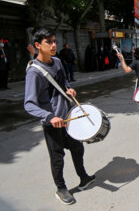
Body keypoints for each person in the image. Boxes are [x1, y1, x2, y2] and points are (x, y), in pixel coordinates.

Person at [24, 28, 95, 205]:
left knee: (78, 148)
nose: (54, 45)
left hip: (68, 118)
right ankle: (61, 188)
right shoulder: (34, 72)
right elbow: (29, 104)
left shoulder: (56, 62)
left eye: (55, 41)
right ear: (38, 45)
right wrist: (49, 117)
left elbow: (62, 82)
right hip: (53, 123)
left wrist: (68, 89)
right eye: (49, 42)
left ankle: (83, 177)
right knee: (57, 158)